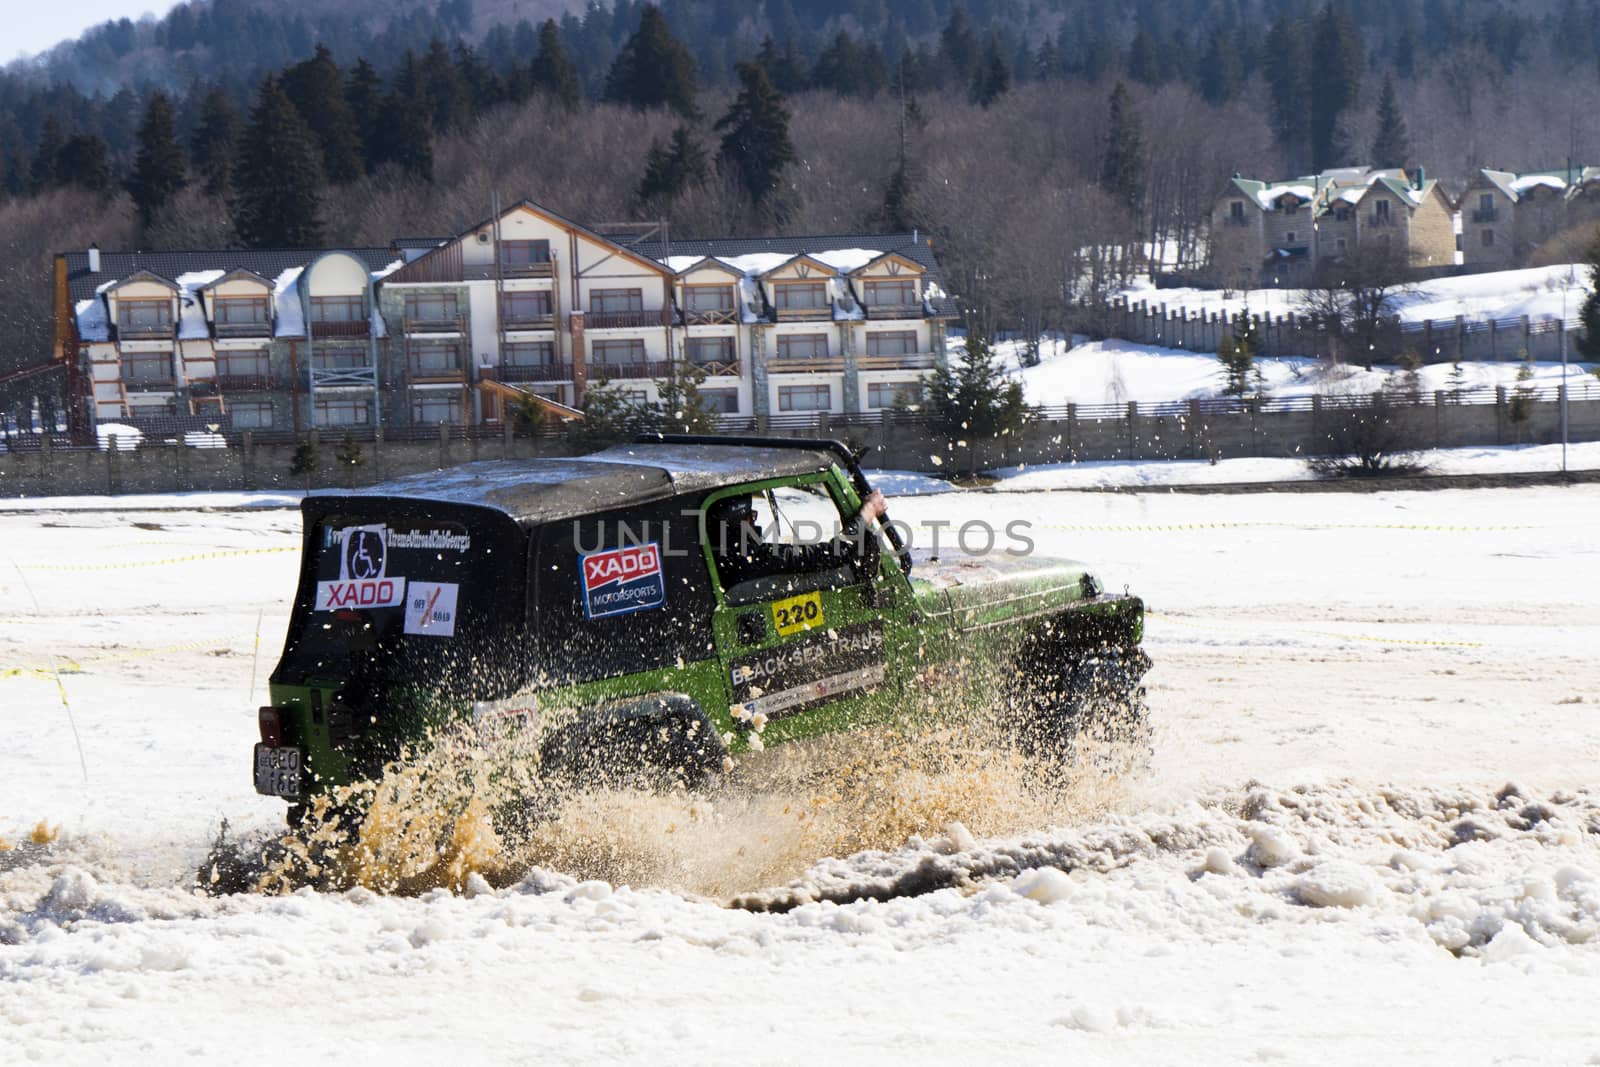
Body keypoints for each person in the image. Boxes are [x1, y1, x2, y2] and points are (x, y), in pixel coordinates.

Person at [710, 488, 889, 588]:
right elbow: (831, 554)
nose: (755, 521)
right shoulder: (750, 557)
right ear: (739, 522)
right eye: (751, 516)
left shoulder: (718, 552)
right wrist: (868, 512)